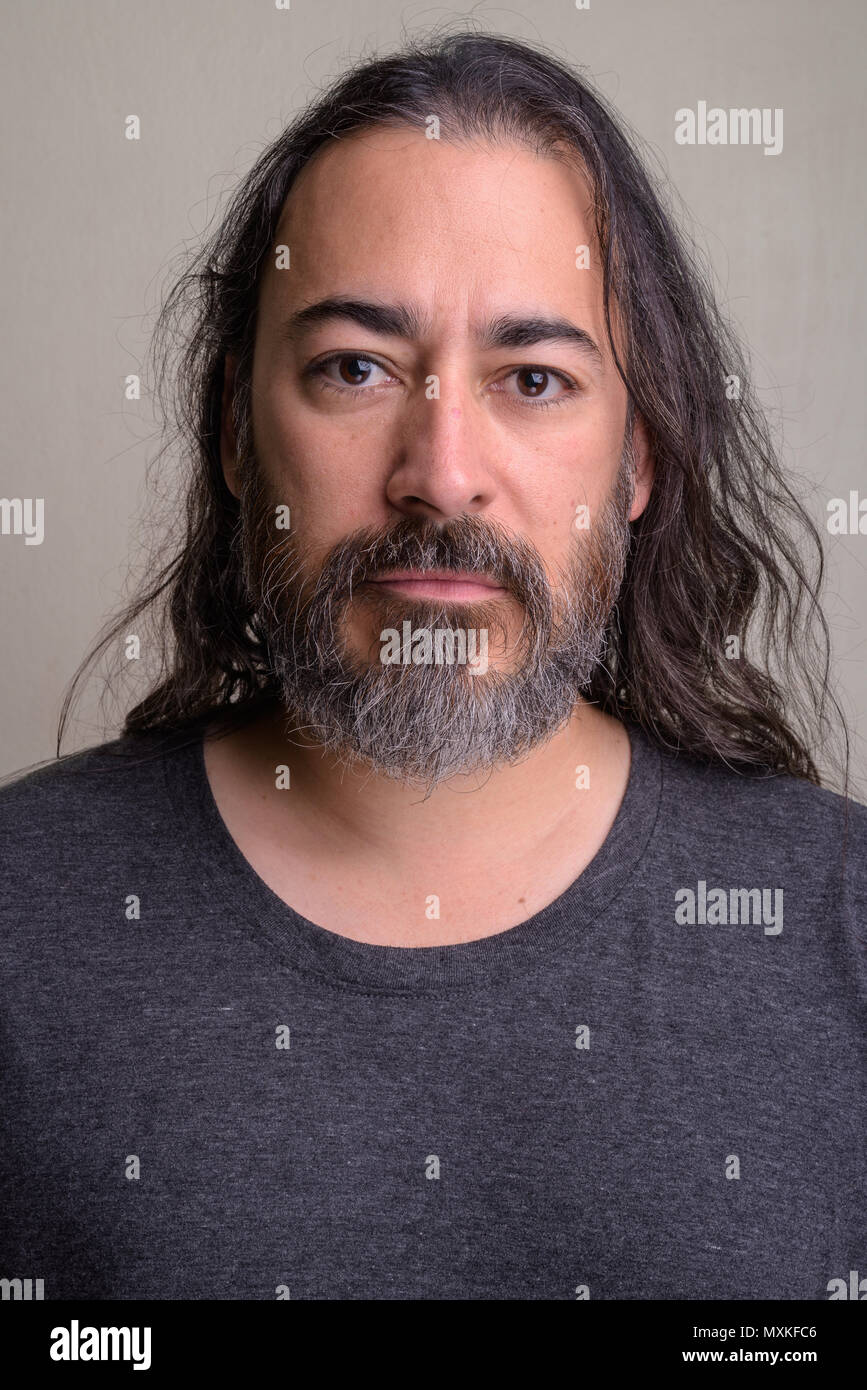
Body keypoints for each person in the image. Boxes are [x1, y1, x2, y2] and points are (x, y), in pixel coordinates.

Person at [1, 31, 863, 1302]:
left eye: (533, 377)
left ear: (638, 464)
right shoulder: (22, 917)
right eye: (355, 368)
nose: (441, 470)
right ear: (238, 435)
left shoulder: (842, 926)